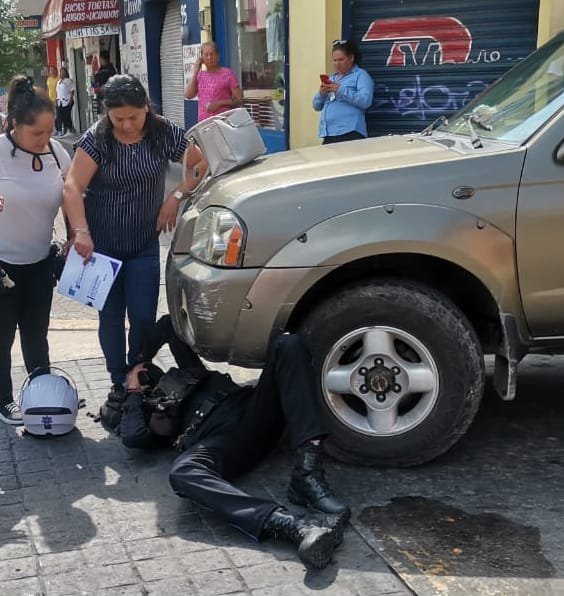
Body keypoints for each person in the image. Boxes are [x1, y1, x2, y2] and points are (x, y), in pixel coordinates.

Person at [101, 315, 350, 569]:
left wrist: (139, 360)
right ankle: (290, 526)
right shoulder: (149, 415)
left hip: (254, 411)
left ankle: (307, 475)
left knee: (288, 345)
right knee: (182, 472)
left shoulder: (186, 373)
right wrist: (133, 394)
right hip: (226, 443)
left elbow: (169, 325)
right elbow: (133, 437)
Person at [63, 74, 206, 404]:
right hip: (102, 247)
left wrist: (176, 196)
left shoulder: (163, 133)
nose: (126, 125)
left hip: (143, 243)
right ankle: (118, 381)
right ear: (107, 114)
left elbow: (200, 164)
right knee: (110, 316)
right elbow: (72, 187)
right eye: (118, 118)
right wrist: (81, 232)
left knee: (142, 315)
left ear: (146, 108)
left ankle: (137, 371)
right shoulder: (96, 140)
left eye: (133, 116)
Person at [0, 76, 71, 425]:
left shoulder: (58, 153)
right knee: (2, 336)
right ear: (15, 125)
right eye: (37, 134)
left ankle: (40, 393)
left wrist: (77, 236)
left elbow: (73, 199)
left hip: (41, 261)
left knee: (35, 333)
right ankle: (4, 400)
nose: (45, 140)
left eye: (49, 132)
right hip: (3, 265)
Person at [312, 40, 374, 144]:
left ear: (351, 58)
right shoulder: (332, 78)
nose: (337, 64)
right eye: (334, 60)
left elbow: (365, 101)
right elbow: (316, 106)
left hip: (350, 132)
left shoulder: (360, 75)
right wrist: (321, 94)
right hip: (329, 133)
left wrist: (341, 90)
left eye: (341, 60)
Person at [185, 41, 244, 123]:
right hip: (204, 125)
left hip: (223, 123)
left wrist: (219, 104)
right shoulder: (200, 75)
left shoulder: (227, 74)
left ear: (218, 56)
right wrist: (195, 72)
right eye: (206, 54)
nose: (209, 57)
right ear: (201, 57)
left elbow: (239, 100)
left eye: (212, 54)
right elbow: (188, 95)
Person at [93, 50, 117, 114]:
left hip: (109, 99)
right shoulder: (101, 70)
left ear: (102, 58)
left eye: (100, 59)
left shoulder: (111, 70)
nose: (100, 60)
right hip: (101, 99)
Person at [55, 67, 75, 136]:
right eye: (61, 72)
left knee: (67, 116)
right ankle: (62, 130)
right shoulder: (59, 81)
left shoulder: (68, 81)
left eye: (63, 72)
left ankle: (69, 129)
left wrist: (71, 100)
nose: (62, 73)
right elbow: (58, 92)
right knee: (59, 116)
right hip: (59, 101)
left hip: (67, 101)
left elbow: (72, 91)